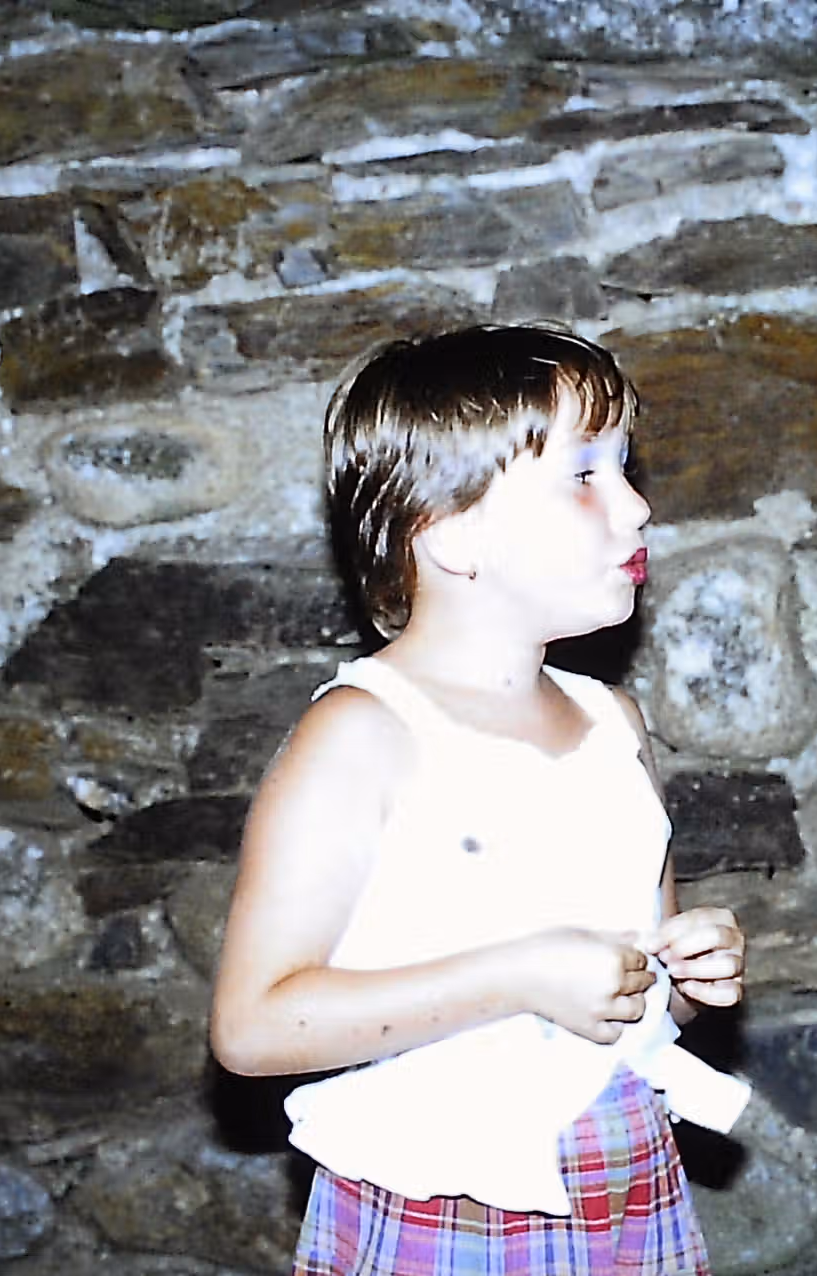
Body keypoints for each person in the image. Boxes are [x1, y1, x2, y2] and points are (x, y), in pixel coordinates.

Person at [210, 323, 751, 1275]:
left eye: (624, 467)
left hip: (621, 1173)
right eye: (583, 476)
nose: (635, 506)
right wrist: (515, 977)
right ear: (452, 531)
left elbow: (621, 1001)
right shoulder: (365, 735)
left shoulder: (613, 723)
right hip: (447, 1202)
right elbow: (253, 1027)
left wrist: (683, 979)